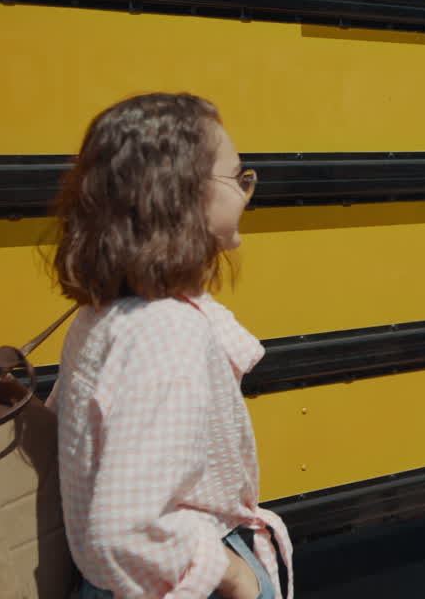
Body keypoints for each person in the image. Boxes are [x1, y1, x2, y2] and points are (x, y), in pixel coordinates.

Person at [50, 93, 292, 599]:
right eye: (237, 177)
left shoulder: (108, 313)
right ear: (181, 194)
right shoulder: (166, 332)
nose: (247, 193)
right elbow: (125, 525)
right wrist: (233, 575)